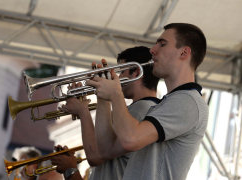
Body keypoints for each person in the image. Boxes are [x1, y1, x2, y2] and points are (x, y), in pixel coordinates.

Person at [86, 23, 208, 180]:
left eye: (162, 44)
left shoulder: (188, 101)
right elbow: (105, 150)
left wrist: (116, 94)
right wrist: (104, 99)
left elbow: (130, 139)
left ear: (184, 52)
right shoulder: (172, 101)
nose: (153, 50)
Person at [51, 46, 160, 180]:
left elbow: (96, 156)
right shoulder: (135, 109)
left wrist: (83, 111)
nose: (118, 78)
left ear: (136, 72)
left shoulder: (141, 110)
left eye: (122, 71)